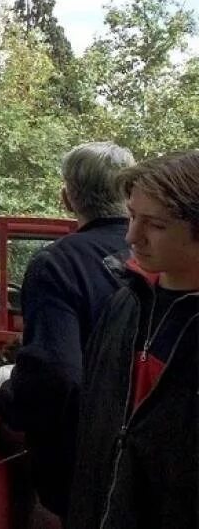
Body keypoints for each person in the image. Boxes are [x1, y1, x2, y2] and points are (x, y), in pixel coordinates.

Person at [0, 142, 134, 519]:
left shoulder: (57, 263)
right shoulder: (157, 255)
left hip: (81, 464)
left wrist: (1, 407)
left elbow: (54, 372)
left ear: (67, 198)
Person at [67, 151, 199, 528]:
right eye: (131, 216)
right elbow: (94, 424)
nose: (131, 236)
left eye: (155, 225)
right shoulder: (125, 303)